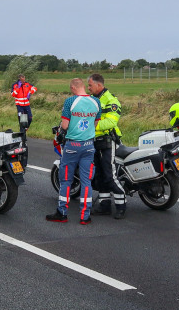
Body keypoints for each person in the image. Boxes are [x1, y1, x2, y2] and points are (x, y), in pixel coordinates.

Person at [48, 78, 101, 224]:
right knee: (86, 181)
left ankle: (62, 212)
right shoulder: (96, 102)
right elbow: (95, 123)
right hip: (89, 145)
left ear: (73, 87)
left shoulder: (70, 102)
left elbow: (64, 126)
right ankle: (85, 216)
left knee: (65, 180)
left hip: (72, 146)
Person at [88, 73, 126, 219]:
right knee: (99, 176)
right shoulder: (92, 100)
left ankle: (121, 206)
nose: (88, 88)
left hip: (108, 142)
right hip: (95, 141)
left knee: (110, 175)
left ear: (99, 85)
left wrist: (90, 126)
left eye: (90, 85)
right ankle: (104, 206)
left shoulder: (111, 100)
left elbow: (111, 123)